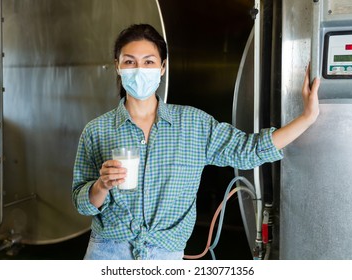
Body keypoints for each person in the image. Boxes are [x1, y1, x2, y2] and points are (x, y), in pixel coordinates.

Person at [72, 23, 320, 260]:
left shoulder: (194, 124)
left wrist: (306, 118)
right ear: (117, 66)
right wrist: (101, 185)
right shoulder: (97, 130)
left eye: (149, 61)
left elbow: (249, 150)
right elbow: (82, 204)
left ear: (162, 67)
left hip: (166, 257)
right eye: (130, 61)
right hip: (107, 253)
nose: (139, 69)